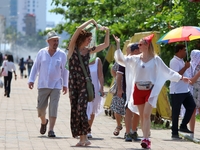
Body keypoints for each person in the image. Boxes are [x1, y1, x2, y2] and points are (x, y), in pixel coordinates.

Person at [113, 34, 191, 149]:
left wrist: (181, 77)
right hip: (138, 90)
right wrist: (118, 44)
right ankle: (145, 137)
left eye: (140, 44)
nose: (138, 46)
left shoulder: (156, 60)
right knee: (142, 115)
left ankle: (146, 139)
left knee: (146, 114)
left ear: (147, 45)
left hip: (150, 90)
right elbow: (121, 60)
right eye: (138, 44)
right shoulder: (135, 59)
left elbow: (167, 71)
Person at [68, 19, 109, 146]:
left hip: (85, 84)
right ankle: (82, 138)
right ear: (82, 38)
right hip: (73, 84)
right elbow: (78, 29)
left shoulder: (89, 51)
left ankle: (84, 137)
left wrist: (107, 31)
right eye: (88, 39)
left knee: (82, 109)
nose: (89, 41)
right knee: (75, 109)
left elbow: (105, 45)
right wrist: (91, 21)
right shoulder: (72, 48)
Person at [28, 30, 68, 137]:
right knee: (40, 109)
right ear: (48, 42)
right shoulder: (41, 53)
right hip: (43, 84)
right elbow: (35, 67)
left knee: (53, 107)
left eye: (57, 40)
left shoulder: (62, 54)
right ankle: (43, 122)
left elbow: (65, 70)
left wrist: (65, 84)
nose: (56, 43)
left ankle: (51, 130)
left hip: (56, 85)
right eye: (54, 41)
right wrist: (31, 80)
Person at [169, 44, 196, 140]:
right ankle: (174, 132)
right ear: (179, 50)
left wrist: (186, 67)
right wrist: (185, 67)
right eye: (184, 50)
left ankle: (183, 125)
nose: (185, 52)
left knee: (192, 106)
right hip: (177, 91)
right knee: (176, 112)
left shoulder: (181, 61)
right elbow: (175, 75)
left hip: (185, 90)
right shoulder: (174, 61)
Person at [123, 43, 141, 142]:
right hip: (128, 88)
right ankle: (127, 132)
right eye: (139, 50)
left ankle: (134, 131)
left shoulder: (142, 60)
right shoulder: (127, 60)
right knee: (129, 110)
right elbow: (119, 74)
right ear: (135, 51)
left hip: (139, 88)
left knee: (137, 111)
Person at [87, 57, 104, 138]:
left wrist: (101, 87)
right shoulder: (80, 58)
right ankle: (83, 128)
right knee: (84, 108)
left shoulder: (97, 60)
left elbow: (100, 75)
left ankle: (88, 129)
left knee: (93, 109)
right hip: (84, 88)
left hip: (95, 88)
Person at [186, 49, 200, 139]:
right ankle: (192, 132)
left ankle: (192, 133)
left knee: (193, 111)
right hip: (194, 89)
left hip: (196, 89)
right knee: (193, 111)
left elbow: (192, 80)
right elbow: (190, 80)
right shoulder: (190, 66)